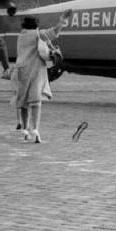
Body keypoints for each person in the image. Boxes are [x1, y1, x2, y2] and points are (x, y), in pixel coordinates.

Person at [13, 9, 72, 143]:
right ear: (36, 25)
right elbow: (53, 32)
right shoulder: (38, 34)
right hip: (36, 71)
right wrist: (62, 21)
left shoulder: (21, 36)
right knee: (36, 101)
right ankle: (36, 130)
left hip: (21, 70)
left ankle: (26, 130)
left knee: (23, 102)